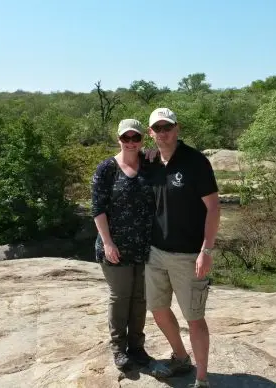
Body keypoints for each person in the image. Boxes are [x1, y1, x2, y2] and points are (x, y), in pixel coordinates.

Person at [144, 108, 220, 388]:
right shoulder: (150, 161)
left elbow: (213, 208)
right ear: (151, 133)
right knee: (158, 309)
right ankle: (180, 357)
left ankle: (202, 378)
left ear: (177, 128)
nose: (163, 133)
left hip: (188, 254)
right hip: (155, 252)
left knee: (195, 318)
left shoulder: (195, 162)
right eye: (157, 128)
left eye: (168, 127)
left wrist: (206, 250)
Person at [90, 118, 155, 370]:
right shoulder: (106, 169)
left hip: (144, 246)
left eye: (135, 138)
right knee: (120, 297)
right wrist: (108, 243)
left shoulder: (150, 165)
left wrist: (156, 153)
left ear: (142, 139)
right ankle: (119, 349)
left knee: (140, 298)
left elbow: (174, 156)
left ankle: (137, 347)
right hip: (114, 247)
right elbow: (97, 210)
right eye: (125, 138)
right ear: (118, 139)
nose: (130, 142)